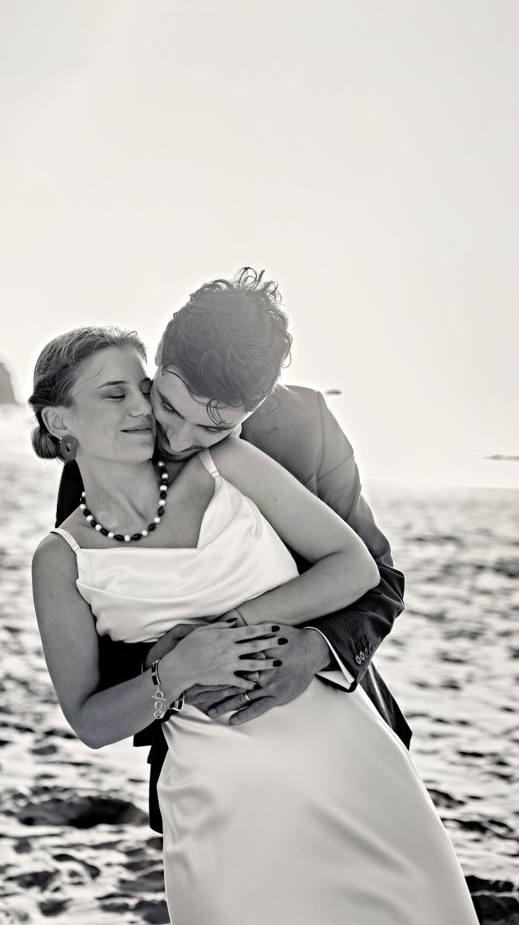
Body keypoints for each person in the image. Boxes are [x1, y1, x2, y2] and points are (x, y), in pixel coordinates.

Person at [30, 326, 478, 923]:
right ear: (59, 420)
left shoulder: (241, 456)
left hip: (345, 758)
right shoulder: (63, 551)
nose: (147, 412)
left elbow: (369, 572)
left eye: (141, 389)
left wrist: (305, 646)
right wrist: (174, 672)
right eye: (121, 394)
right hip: (218, 797)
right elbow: (92, 710)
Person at [56, 270, 409, 834]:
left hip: (339, 730)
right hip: (204, 762)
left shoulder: (310, 426)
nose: (179, 439)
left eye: (214, 426)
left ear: (257, 404)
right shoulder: (105, 452)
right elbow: (96, 617)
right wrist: (165, 663)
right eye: (170, 407)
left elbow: (379, 577)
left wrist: (315, 652)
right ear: (159, 364)